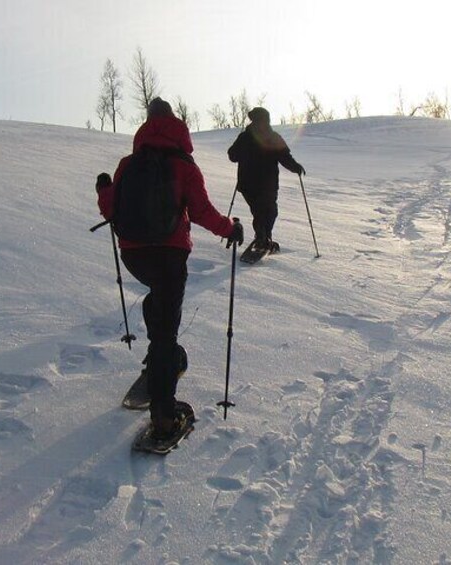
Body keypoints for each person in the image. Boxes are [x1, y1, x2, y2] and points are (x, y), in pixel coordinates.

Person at [97, 97, 244, 439]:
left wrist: (104, 189)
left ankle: (160, 362)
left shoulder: (127, 164)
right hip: (169, 255)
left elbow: (111, 211)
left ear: (146, 124)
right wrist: (231, 229)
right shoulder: (183, 165)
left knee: (156, 304)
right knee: (166, 329)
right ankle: (163, 415)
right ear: (175, 123)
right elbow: (203, 211)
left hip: (134, 256)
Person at [228, 106, 305, 253]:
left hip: (256, 183)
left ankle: (264, 237)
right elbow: (233, 155)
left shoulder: (252, 137)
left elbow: (284, 157)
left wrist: (295, 166)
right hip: (259, 183)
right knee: (263, 210)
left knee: (266, 211)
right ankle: (262, 238)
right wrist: (294, 166)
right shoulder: (251, 137)